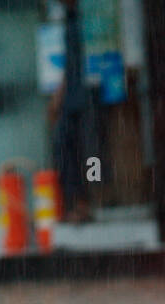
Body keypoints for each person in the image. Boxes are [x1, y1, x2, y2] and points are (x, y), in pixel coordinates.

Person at [48, 0, 95, 223]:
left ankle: (83, 205)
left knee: (82, 151)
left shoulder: (84, 18)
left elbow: (76, 62)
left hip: (84, 96)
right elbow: (71, 63)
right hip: (75, 96)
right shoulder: (70, 18)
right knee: (66, 148)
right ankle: (76, 204)